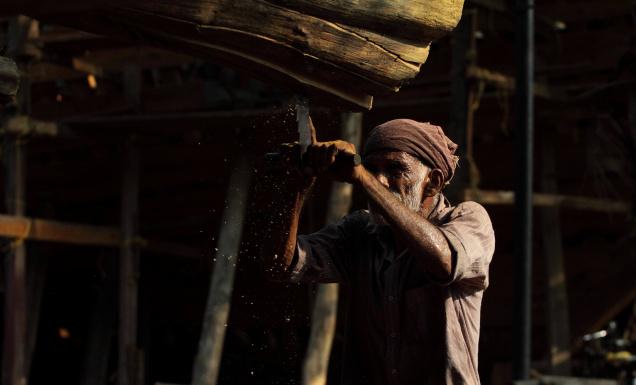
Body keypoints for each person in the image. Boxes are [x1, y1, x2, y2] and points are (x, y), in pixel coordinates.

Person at [261, 118, 495, 385]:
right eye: (372, 170)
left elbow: (444, 261)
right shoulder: (360, 231)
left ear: (433, 182)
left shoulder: (468, 219)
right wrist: (297, 187)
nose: (380, 180)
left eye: (395, 169)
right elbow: (279, 266)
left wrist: (362, 176)